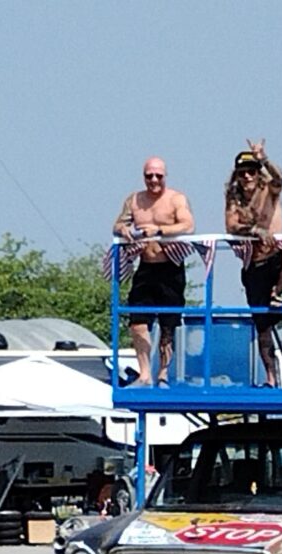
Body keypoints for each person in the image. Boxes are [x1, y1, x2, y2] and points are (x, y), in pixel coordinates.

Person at [225, 140, 282, 387]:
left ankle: (276, 291)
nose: (247, 176)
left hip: (276, 256)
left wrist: (264, 158)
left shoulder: (269, 189)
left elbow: (280, 177)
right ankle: (271, 377)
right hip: (255, 264)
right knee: (262, 326)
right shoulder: (234, 198)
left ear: (259, 172)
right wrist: (254, 230)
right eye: (243, 172)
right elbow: (231, 225)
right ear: (237, 175)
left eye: (252, 170)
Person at [113, 156, 195, 387]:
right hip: (145, 268)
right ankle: (145, 373)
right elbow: (118, 224)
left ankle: (163, 375)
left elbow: (188, 225)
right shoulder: (135, 200)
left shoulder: (176, 199)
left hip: (170, 268)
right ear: (144, 176)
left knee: (168, 324)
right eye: (149, 175)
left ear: (165, 176)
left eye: (158, 175)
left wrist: (159, 230)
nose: (154, 180)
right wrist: (124, 230)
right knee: (137, 321)